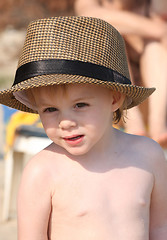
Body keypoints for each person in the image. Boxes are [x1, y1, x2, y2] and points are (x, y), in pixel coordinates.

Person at [0, 16, 167, 240]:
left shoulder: (149, 155)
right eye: (50, 109)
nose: (65, 122)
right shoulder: (43, 171)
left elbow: (160, 228)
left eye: (80, 105)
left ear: (114, 99)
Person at [75, 0, 167, 148]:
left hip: (151, 99)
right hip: (113, 103)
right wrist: (155, 29)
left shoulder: (153, 5)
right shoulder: (94, 3)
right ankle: (133, 123)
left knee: (154, 47)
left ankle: (158, 125)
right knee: (109, 37)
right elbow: (90, 15)